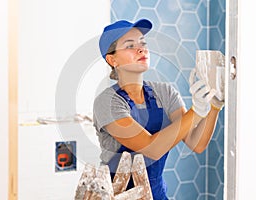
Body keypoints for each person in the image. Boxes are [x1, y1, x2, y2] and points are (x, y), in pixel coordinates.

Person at [93, 19, 224, 200]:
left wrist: (214, 106)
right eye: (130, 45)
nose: (141, 49)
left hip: (156, 194)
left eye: (142, 43)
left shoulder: (165, 92)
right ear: (112, 59)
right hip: (119, 195)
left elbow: (197, 143)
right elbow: (151, 148)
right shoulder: (107, 102)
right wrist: (197, 112)